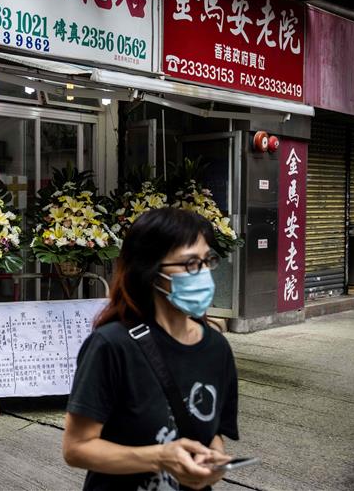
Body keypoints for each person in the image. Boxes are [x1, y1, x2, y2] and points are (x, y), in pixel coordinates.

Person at [63, 207, 239, 491]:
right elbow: (76, 448)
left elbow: (214, 436)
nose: (203, 273)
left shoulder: (216, 348)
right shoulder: (111, 346)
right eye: (190, 264)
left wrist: (214, 464)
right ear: (152, 272)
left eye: (207, 261)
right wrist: (158, 457)